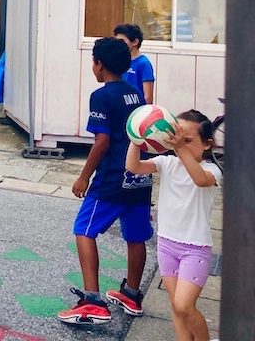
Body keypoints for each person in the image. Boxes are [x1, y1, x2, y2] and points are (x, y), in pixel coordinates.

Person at [58, 37, 153, 325]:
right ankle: (132, 294)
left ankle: (92, 302)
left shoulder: (101, 96)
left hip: (112, 176)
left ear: (99, 64)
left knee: (84, 230)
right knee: (135, 235)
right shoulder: (135, 93)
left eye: (93, 62)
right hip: (140, 175)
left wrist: (83, 177)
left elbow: (102, 141)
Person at [125, 110, 221, 341]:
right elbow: (133, 167)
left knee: (184, 305)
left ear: (206, 144)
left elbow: (200, 180)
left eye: (187, 140)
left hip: (195, 248)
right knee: (176, 306)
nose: (179, 145)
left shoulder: (212, 170)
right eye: (175, 139)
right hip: (167, 244)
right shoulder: (167, 163)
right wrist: (136, 137)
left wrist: (180, 149)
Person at [114, 24, 155, 104]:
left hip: (137, 108)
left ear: (135, 42)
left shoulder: (143, 63)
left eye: (122, 41)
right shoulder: (120, 61)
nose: (118, 45)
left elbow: (148, 97)